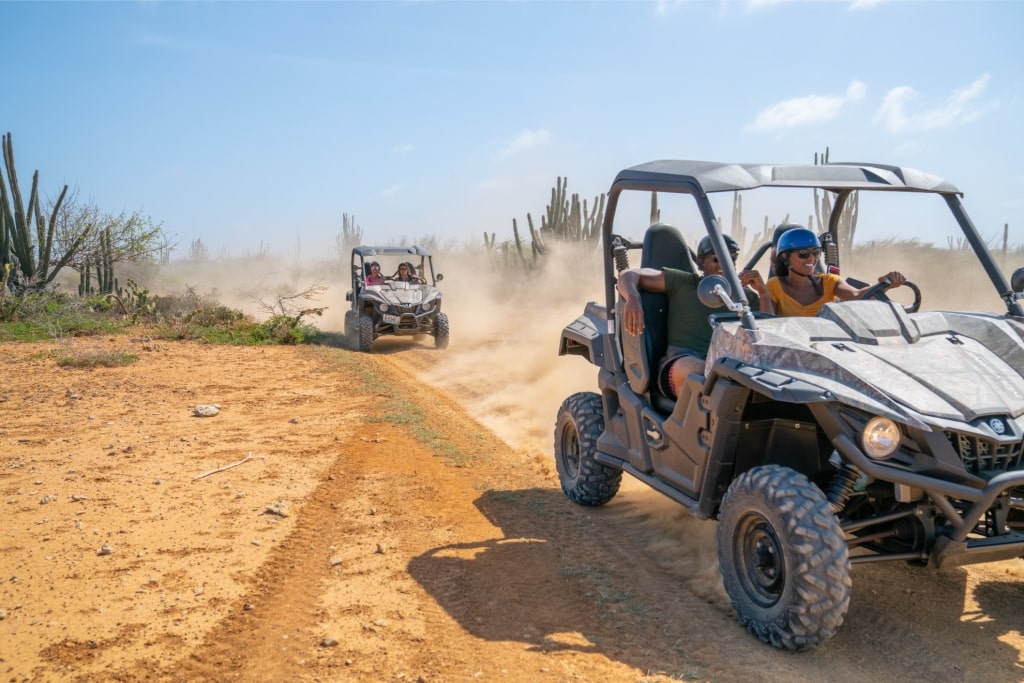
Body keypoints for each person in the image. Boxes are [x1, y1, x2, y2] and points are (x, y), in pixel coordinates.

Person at [618, 234, 774, 400]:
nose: (723, 266)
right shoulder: (684, 282)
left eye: (729, 260)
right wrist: (632, 298)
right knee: (701, 372)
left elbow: (769, 334)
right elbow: (628, 275)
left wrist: (763, 293)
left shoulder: (744, 297)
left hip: (731, 364)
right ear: (701, 263)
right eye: (716, 259)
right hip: (684, 361)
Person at [766, 227, 907, 317]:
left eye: (815, 252)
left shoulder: (830, 282)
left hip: (830, 349)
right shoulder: (774, 286)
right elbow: (767, 326)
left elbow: (856, 295)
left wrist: (885, 284)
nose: (812, 258)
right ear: (785, 256)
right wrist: (761, 291)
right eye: (803, 253)